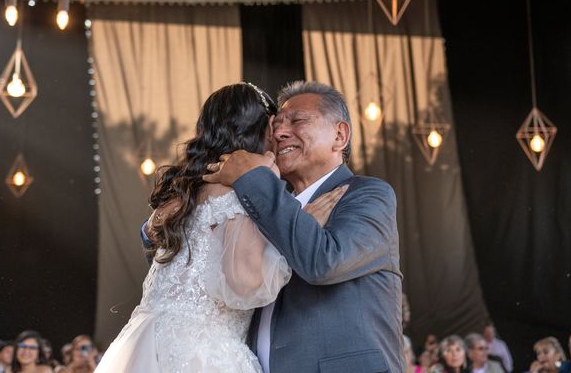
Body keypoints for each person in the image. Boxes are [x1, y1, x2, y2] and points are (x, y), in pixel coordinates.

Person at [97, 83, 342, 372]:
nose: (278, 137)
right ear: (260, 131)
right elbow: (245, 284)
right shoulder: (241, 188)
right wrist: (303, 224)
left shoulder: (187, 189)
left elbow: (156, 238)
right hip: (202, 354)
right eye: (273, 127)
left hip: (148, 343)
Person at [203, 80, 404, 372]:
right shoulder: (264, 203)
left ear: (340, 135)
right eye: (275, 126)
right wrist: (160, 228)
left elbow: (324, 262)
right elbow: (210, 265)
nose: (280, 133)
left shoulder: (368, 195)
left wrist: (252, 176)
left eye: (297, 121)